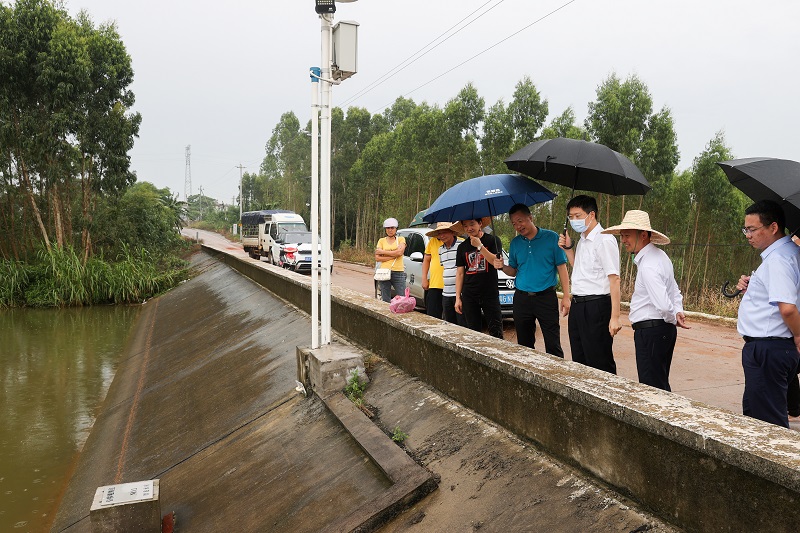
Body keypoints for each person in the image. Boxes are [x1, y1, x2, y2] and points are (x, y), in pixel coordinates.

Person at [602, 210, 688, 391]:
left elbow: (665, 304)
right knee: (659, 384)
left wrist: (673, 317)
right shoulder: (660, 256)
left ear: (642, 235)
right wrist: (678, 311)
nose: (623, 240)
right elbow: (674, 290)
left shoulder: (648, 264)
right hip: (659, 331)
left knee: (652, 389)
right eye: (622, 236)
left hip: (652, 332)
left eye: (626, 235)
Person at [734, 200, 800, 428]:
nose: (748, 235)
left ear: (773, 227)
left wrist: (799, 336)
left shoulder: (778, 259)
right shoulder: (788, 253)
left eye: (752, 229)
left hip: (768, 349)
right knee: (756, 418)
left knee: (768, 426)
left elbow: (788, 308)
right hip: (769, 347)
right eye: (746, 229)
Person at [493, 204, 570, 357]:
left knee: (553, 344)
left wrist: (567, 296)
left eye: (520, 221)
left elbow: (562, 268)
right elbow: (513, 271)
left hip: (546, 298)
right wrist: (502, 267)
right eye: (514, 223)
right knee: (524, 345)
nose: (517, 226)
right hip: (521, 299)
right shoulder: (515, 243)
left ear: (531, 217)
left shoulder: (552, 238)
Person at [557, 195, 621, 374]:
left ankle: (607, 399)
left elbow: (614, 279)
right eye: (570, 217)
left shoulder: (604, 240)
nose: (574, 221)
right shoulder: (583, 239)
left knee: (599, 361)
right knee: (580, 359)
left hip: (596, 306)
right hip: (578, 306)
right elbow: (579, 268)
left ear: (591, 215)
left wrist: (615, 316)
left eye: (578, 216)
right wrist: (568, 248)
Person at [455, 217, 504, 338]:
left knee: (496, 332)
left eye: (472, 224)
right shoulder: (462, 247)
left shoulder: (493, 241)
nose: (469, 228)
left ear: (480, 223)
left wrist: (480, 246)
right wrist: (457, 298)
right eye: (465, 226)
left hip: (490, 294)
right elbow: (460, 273)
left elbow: (495, 262)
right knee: (473, 333)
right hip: (469, 295)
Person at [423, 222, 459, 320]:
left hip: (455, 288)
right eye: (439, 232)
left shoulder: (461, 244)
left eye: (445, 232)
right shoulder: (434, 244)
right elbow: (426, 260)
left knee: (455, 320)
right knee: (433, 317)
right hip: (435, 284)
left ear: (452, 231)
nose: (442, 235)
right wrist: (424, 278)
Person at [375, 217, 406, 303]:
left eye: (392, 228)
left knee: (402, 298)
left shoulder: (401, 239)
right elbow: (377, 257)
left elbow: (400, 252)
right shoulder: (381, 241)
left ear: (396, 229)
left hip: (398, 271)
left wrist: (383, 252)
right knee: (385, 299)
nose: (390, 230)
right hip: (384, 271)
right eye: (388, 228)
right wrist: (393, 255)